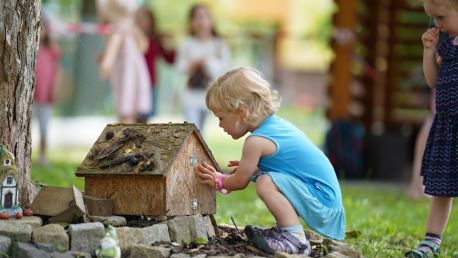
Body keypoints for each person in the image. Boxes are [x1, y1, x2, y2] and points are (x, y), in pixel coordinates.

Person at [197, 67, 345, 255]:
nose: (220, 124)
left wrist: (219, 179)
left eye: (221, 117)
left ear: (242, 112)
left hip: (322, 202)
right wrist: (253, 170)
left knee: (265, 183)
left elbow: (239, 182)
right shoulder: (276, 126)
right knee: (265, 178)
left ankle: (295, 240)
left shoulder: (256, 141)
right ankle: (284, 231)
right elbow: (290, 170)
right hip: (324, 197)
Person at [405, 0, 458, 256]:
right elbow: (433, 81)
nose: (437, 24)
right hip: (447, 127)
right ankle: (431, 241)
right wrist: (429, 51)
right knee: (441, 189)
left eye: (441, 17)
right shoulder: (446, 44)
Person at [176, 4, 230, 132]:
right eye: (197, 18)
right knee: (192, 130)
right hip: (191, 93)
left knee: (202, 132)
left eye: (204, 17)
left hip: (210, 94)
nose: (201, 21)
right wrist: (194, 63)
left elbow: (224, 68)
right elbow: (180, 67)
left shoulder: (219, 43)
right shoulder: (187, 43)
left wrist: (208, 62)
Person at [96, 0, 151, 123]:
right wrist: (107, 57)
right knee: (130, 109)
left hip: (128, 74)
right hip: (128, 72)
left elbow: (115, 42)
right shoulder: (125, 29)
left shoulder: (122, 29)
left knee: (127, 108)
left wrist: (107, 60)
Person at [135, 6, 176, 120]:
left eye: (144, 18)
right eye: (138, 18)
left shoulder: (155, 39)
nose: (141, 21)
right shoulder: (130, 39)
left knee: (145, 117)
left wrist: (170, 46)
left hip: (149, 84)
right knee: (132, 116)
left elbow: (170, 59)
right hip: (133, 82)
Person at [33, 16, 62, 166]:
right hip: (31, 96)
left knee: (44, 127)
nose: (39, 31)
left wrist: (55, 89)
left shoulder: (52, 50)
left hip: (46, 96)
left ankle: (43, 155)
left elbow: (57, 71)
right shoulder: (28, 48)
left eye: (42, 28)